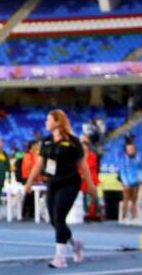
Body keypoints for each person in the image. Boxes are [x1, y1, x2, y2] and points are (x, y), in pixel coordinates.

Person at [24, 110, 97, 269]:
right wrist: (29, 182)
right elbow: (39, 163)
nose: (46, 122)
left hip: (69, 182)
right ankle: (75, 243)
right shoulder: (47, 141)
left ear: (57, 122)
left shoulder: (73, 142)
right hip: (53, 182)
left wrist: (90, 185)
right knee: (53, 220)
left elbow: (82, 165)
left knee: (59, 216)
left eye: (48, 120)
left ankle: (60, 258)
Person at [118, 142, 142, 225]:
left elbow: (140, 169)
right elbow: (122, 172)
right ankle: (124, 217)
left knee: (134, 201)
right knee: (126, 200)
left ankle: (134, 217)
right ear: (126, 151)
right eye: (129, 149)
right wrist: (126, 183)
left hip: (135, 182)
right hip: (127, 183)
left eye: (132, 149)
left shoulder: (138, 158)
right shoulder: (123, 159)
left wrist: (139, 179)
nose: (131, 151)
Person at [80, 136, 100, 221]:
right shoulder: (80, 157)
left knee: (94, 196)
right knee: (84, 197)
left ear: (88, 147)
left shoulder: (92, 155)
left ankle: (95, 213)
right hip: (83, 180)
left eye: (86, 145)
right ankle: (86, 213)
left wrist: (83, 174)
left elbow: (90, 166)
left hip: (92, 179)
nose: (84, 147)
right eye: (83, 146)